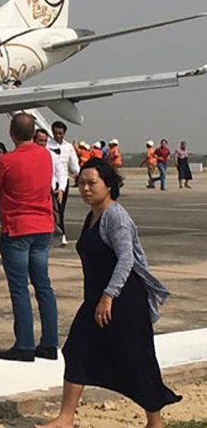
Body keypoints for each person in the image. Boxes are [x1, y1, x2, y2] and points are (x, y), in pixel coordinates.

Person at [37, 159, 180, 428]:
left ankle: (155, 422)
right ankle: (66, 418)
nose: (86, 189)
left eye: (92, 183)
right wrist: (99, 298)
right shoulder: (93, 216)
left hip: (123, 301)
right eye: (82, 183)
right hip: (96, 299)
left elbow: (126, 259)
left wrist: (108, 296)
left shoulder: (116, 217)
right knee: (76, 350)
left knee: (137, 359)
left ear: (109, 185)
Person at [0, 113, 59, 362]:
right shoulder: (46, 155)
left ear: (11, 134)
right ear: (33, 133)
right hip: (43, 226)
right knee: (43, 286)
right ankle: (50, 343)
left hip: (17, 227)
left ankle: (25, 344)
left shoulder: (6, 161)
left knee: (19, 288)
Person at [48, 122, 80, 247]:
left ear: (64, 133)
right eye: (56, 133)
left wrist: (80, 175)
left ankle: (61, 234)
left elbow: (74, 165)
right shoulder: (48, 146)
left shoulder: (68, 147)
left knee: (60, 210)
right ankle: (54, 234)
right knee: (51, 209)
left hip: (63, 182)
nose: (58, 136)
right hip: (50, 181)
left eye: (60, 133)